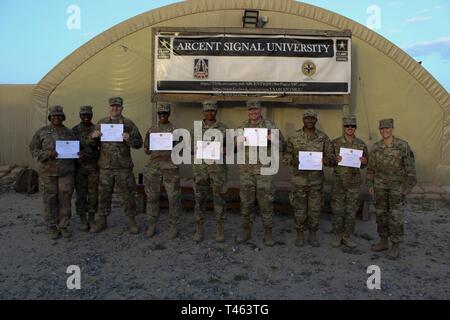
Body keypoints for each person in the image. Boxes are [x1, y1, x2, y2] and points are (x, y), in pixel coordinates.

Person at [237, 99, 286, 246]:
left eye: (256, 109)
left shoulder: (270, 126)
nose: (253, 112)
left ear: (260, 110)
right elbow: (234, 148)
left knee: (266, 202)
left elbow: (283, 146)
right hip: (246, 171)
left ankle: (268, 232)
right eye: (251, 110)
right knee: (246, 202)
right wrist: (237, 141)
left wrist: (275, 140)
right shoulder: (242, 127)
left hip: (265, 171)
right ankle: (246, 232)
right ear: (248, 111)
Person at [90, 97, 143, 234]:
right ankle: (102, 220)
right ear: (109, 107)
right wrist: (93, 138)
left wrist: (129, 138)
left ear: (122, 108)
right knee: (104, 195)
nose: (115, 108)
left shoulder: (128, 124)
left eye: (118, 106)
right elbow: (92, 146)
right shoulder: (101, 123)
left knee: (128, 194)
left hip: (123, 167)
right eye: (113, 106)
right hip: (106, 167)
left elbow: (139, 143)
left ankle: (131, 220)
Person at [367, 118, 417, 259]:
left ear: (392, 129)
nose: (385, 131)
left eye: (387, 128)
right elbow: (371, 169)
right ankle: (383, 241)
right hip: (380, 187)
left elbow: (411, 171)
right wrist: (370, 185)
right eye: (382, 129)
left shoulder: (402, 146)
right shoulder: (376, 147)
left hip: (396, 188)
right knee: (381, 215)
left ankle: (395, 245)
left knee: (395, 217)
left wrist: (405, 189)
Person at [283, 109, 333, 247]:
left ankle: (312, 234)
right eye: (307, 118)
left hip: (316, 181)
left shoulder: (323, 138)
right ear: (303, 120)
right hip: (299, 180)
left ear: (316, 120)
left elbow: (331, 156)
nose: (309, 121)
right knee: (299, 209)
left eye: (312, 119)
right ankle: (300, 234)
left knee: (315, 209)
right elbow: (286, 156)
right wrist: (292, 161)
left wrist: (326, 160)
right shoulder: (294, 137)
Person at [29, 106, 75, 239]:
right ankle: (51, 226)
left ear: (63, 117)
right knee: (50, 199)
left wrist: (77, 153)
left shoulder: (69, 133)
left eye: (59, 116)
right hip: (48, 173)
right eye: (54, 116)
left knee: (65, 199)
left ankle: (64, 225)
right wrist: (48, 154)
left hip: (66, 172)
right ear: (50, 117)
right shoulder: (42, 132)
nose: (57, 118)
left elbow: (75, 149)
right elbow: (33, 149)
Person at [191, 100, 228, 243]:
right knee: (199, 200)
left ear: (216, 112)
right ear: (203, 112)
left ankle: (220, 229)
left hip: (218, 170)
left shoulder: (224, 129)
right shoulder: (195, 129)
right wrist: (194, 149)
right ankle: (199, 229)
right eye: (207, 110)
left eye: (212, 110)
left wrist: (223, 150)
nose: (209, 113)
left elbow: (231, 149)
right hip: (200, 170)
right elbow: (188, 147)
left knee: (219, 200)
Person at [143, 102, 182, 240]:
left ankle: (174, 227)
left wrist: (172, 144)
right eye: (160, 113)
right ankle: (152, 225)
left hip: (170, 168)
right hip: (154, 168)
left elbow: (181, 151)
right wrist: (154, 144)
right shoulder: (152, 130)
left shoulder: (176, 131)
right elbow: (146, 149)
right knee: (152, 197)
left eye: (165, 113)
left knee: (173, 198)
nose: (162, 116)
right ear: (157, 114)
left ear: (169, 114)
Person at [330, 115, 368, 248]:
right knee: (337, 210)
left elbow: (364, 164)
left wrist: (364, 162)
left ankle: (347, 236)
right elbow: (328, 161)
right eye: (347, 126)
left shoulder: (361, 144)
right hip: (338, 182)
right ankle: (337, 235)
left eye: (352, 126)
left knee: (351, 211)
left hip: (353, 182)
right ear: (343, 127)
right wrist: (334, 159)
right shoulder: (335, 143)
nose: (350, 128)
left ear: (355, 128)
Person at [72, 106, 100, 231]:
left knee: (93, 194)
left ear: (92, 115)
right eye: (83, 114)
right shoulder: (74, 131)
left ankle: (92, 218)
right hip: (79, 168)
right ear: (80, 115)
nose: (86, 116)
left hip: (93, 167)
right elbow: (70, 148)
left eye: (88, 114)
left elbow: (103, 146)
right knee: (81, 194)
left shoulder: (97, 129)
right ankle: (83, 219)